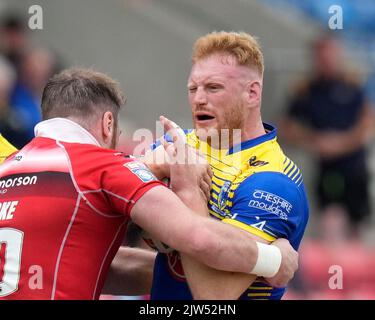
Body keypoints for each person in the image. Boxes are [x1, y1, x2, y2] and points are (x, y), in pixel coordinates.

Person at [0, 68, 297, 299]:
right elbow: (200, 239)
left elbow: (93, 264)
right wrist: (275, 260)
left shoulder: (7, 168)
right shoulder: (103, 166)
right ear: (107, 124)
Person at [108, 31, 309, 300]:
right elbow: (110, 214)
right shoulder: (177, 144)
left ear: (252, 93)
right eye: (193, 88)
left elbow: (214, 295)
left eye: (213, 87)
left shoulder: (273, 180)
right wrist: (152, 170)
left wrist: (188, 189)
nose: (199, 99)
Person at [280, 35, 373, 237]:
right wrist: (313, 140)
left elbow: (367, 123)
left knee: (357, 225)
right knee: (330, 221)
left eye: (331, 53)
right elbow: (287, 126)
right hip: (328, 170)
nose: (327, 59)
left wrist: (340, 143)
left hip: (354, 167)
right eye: (322, 55)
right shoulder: (307, 90)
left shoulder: (352, 86)